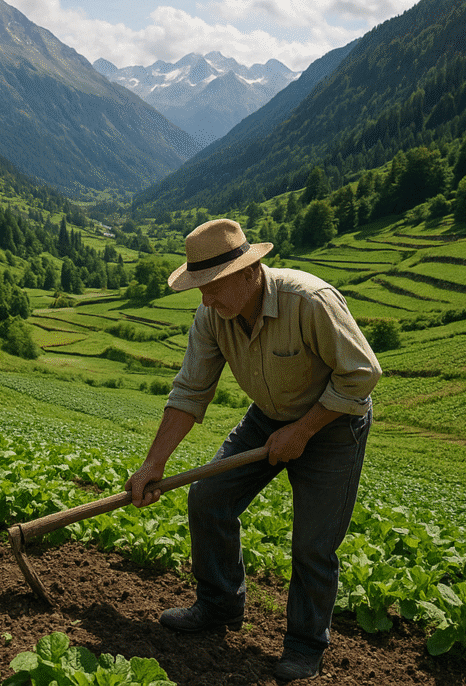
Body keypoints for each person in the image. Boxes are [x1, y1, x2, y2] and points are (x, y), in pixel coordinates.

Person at [126, 218, 382, 682]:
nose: (205, 299)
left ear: (249, 272)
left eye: (213, 286)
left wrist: (303, 430)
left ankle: (305, 645)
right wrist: (153, 464)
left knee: (313, 543)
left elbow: (362, 374)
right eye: (199, 288)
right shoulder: (213, 317)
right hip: (267, 417)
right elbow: (190, 391)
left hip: (332, 422)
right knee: (209, 499)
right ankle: (219, 605)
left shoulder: (310, 301)